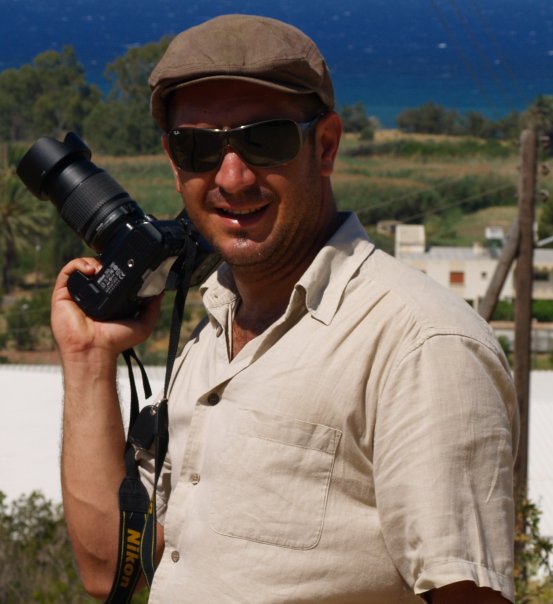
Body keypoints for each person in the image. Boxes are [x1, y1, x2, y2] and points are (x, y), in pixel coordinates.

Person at [52, 14, 519, 604]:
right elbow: (108, 567)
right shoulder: (209, 335)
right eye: (198, 147)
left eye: (264, 140)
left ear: (325, 147)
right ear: (173, 162)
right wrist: (88, 356)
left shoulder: (419, 345)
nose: (232, 177)